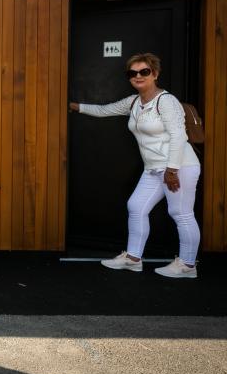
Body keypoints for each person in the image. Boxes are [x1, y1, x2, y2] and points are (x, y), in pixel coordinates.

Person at [69, 52, 201, 278]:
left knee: (181, 213)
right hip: (153, 169)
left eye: (144, 72)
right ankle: (133, 259)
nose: (138, 76)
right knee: (136, 207)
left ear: (155, 74)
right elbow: (104, 110)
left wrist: (172, 170)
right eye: (133, 73)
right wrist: (74, 106)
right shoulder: (134, 102)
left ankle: (188, 265)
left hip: (179, 166)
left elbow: (179, 136)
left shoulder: (166, 101)